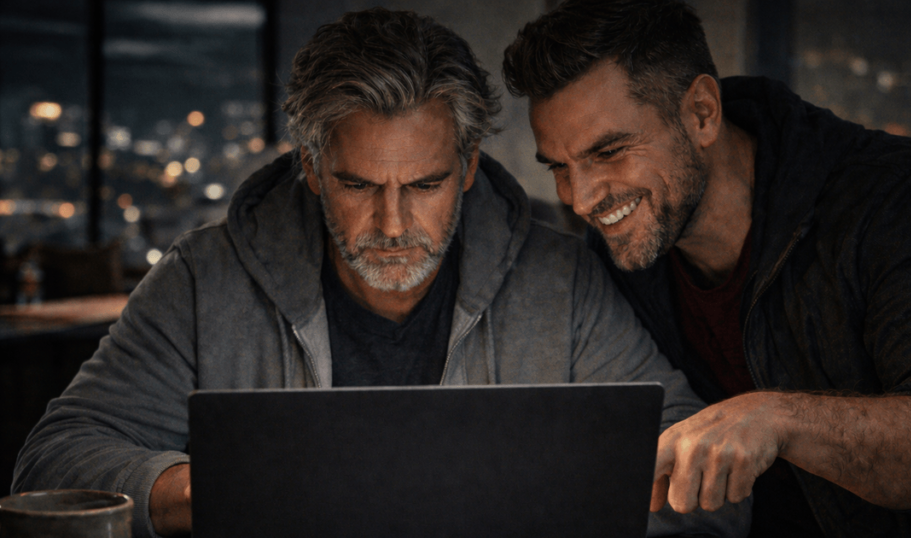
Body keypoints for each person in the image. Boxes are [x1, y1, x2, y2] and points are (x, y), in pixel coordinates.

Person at [12, 7, 753, 538]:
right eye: (360, 186)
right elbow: (50, 466)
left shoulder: (562, 281)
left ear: (467, 169)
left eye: (424, 185)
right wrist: (220, 493)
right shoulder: (204, 279)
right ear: (310, 169)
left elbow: (712, 489)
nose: (393, 226)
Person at [502, 0, 911, 536]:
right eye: (560, 168)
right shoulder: (612, 258)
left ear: (702, 113)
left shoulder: (899, 200)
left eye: (609, 151)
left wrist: (779, 419)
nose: (582, 198)